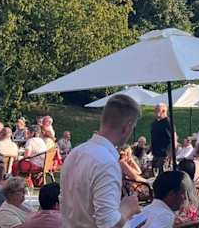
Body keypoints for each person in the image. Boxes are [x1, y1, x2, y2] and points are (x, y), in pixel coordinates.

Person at [60, 94, 141, 228]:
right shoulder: (106, 163)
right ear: (127, 127)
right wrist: (127, 209)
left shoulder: (75, 153)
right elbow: (109, 224)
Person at [150, 103, 173, 173]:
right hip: (155, 154)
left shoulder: (168, 123)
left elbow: (174, 138)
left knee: (162, 175)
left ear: (163, 111)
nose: (155, 112)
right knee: (154, 173)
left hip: (164, 155)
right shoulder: (154, 123)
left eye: (157, 110)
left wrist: (169, 155)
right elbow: (153, 137)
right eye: (155, 110)